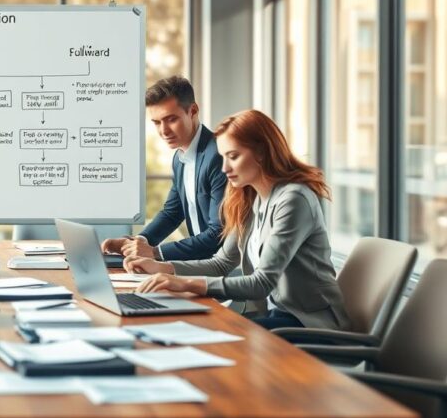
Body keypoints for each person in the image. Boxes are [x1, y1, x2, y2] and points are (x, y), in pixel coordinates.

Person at [125, 109, 350, 331]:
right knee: (199, 327)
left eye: (233, 157)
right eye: (223, 157)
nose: (225, 168)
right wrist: (162, 268)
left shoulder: (293, 200)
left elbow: (261, 283)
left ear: (261, 152)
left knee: (214, 335)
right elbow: (221, 263)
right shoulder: (250, 197)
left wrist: (185, 283)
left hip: (310, 325)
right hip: (276, 317)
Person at [101, 76, 226, 261]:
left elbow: (217, 234)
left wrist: (155, 253)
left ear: (193, 111)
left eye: (171, 119)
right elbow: (172, 213)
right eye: (157, 122)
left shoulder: (218, 155)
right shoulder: (179, 157)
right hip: (200, 264)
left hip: (224, 270)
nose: (164, 131)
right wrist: (136, 242)